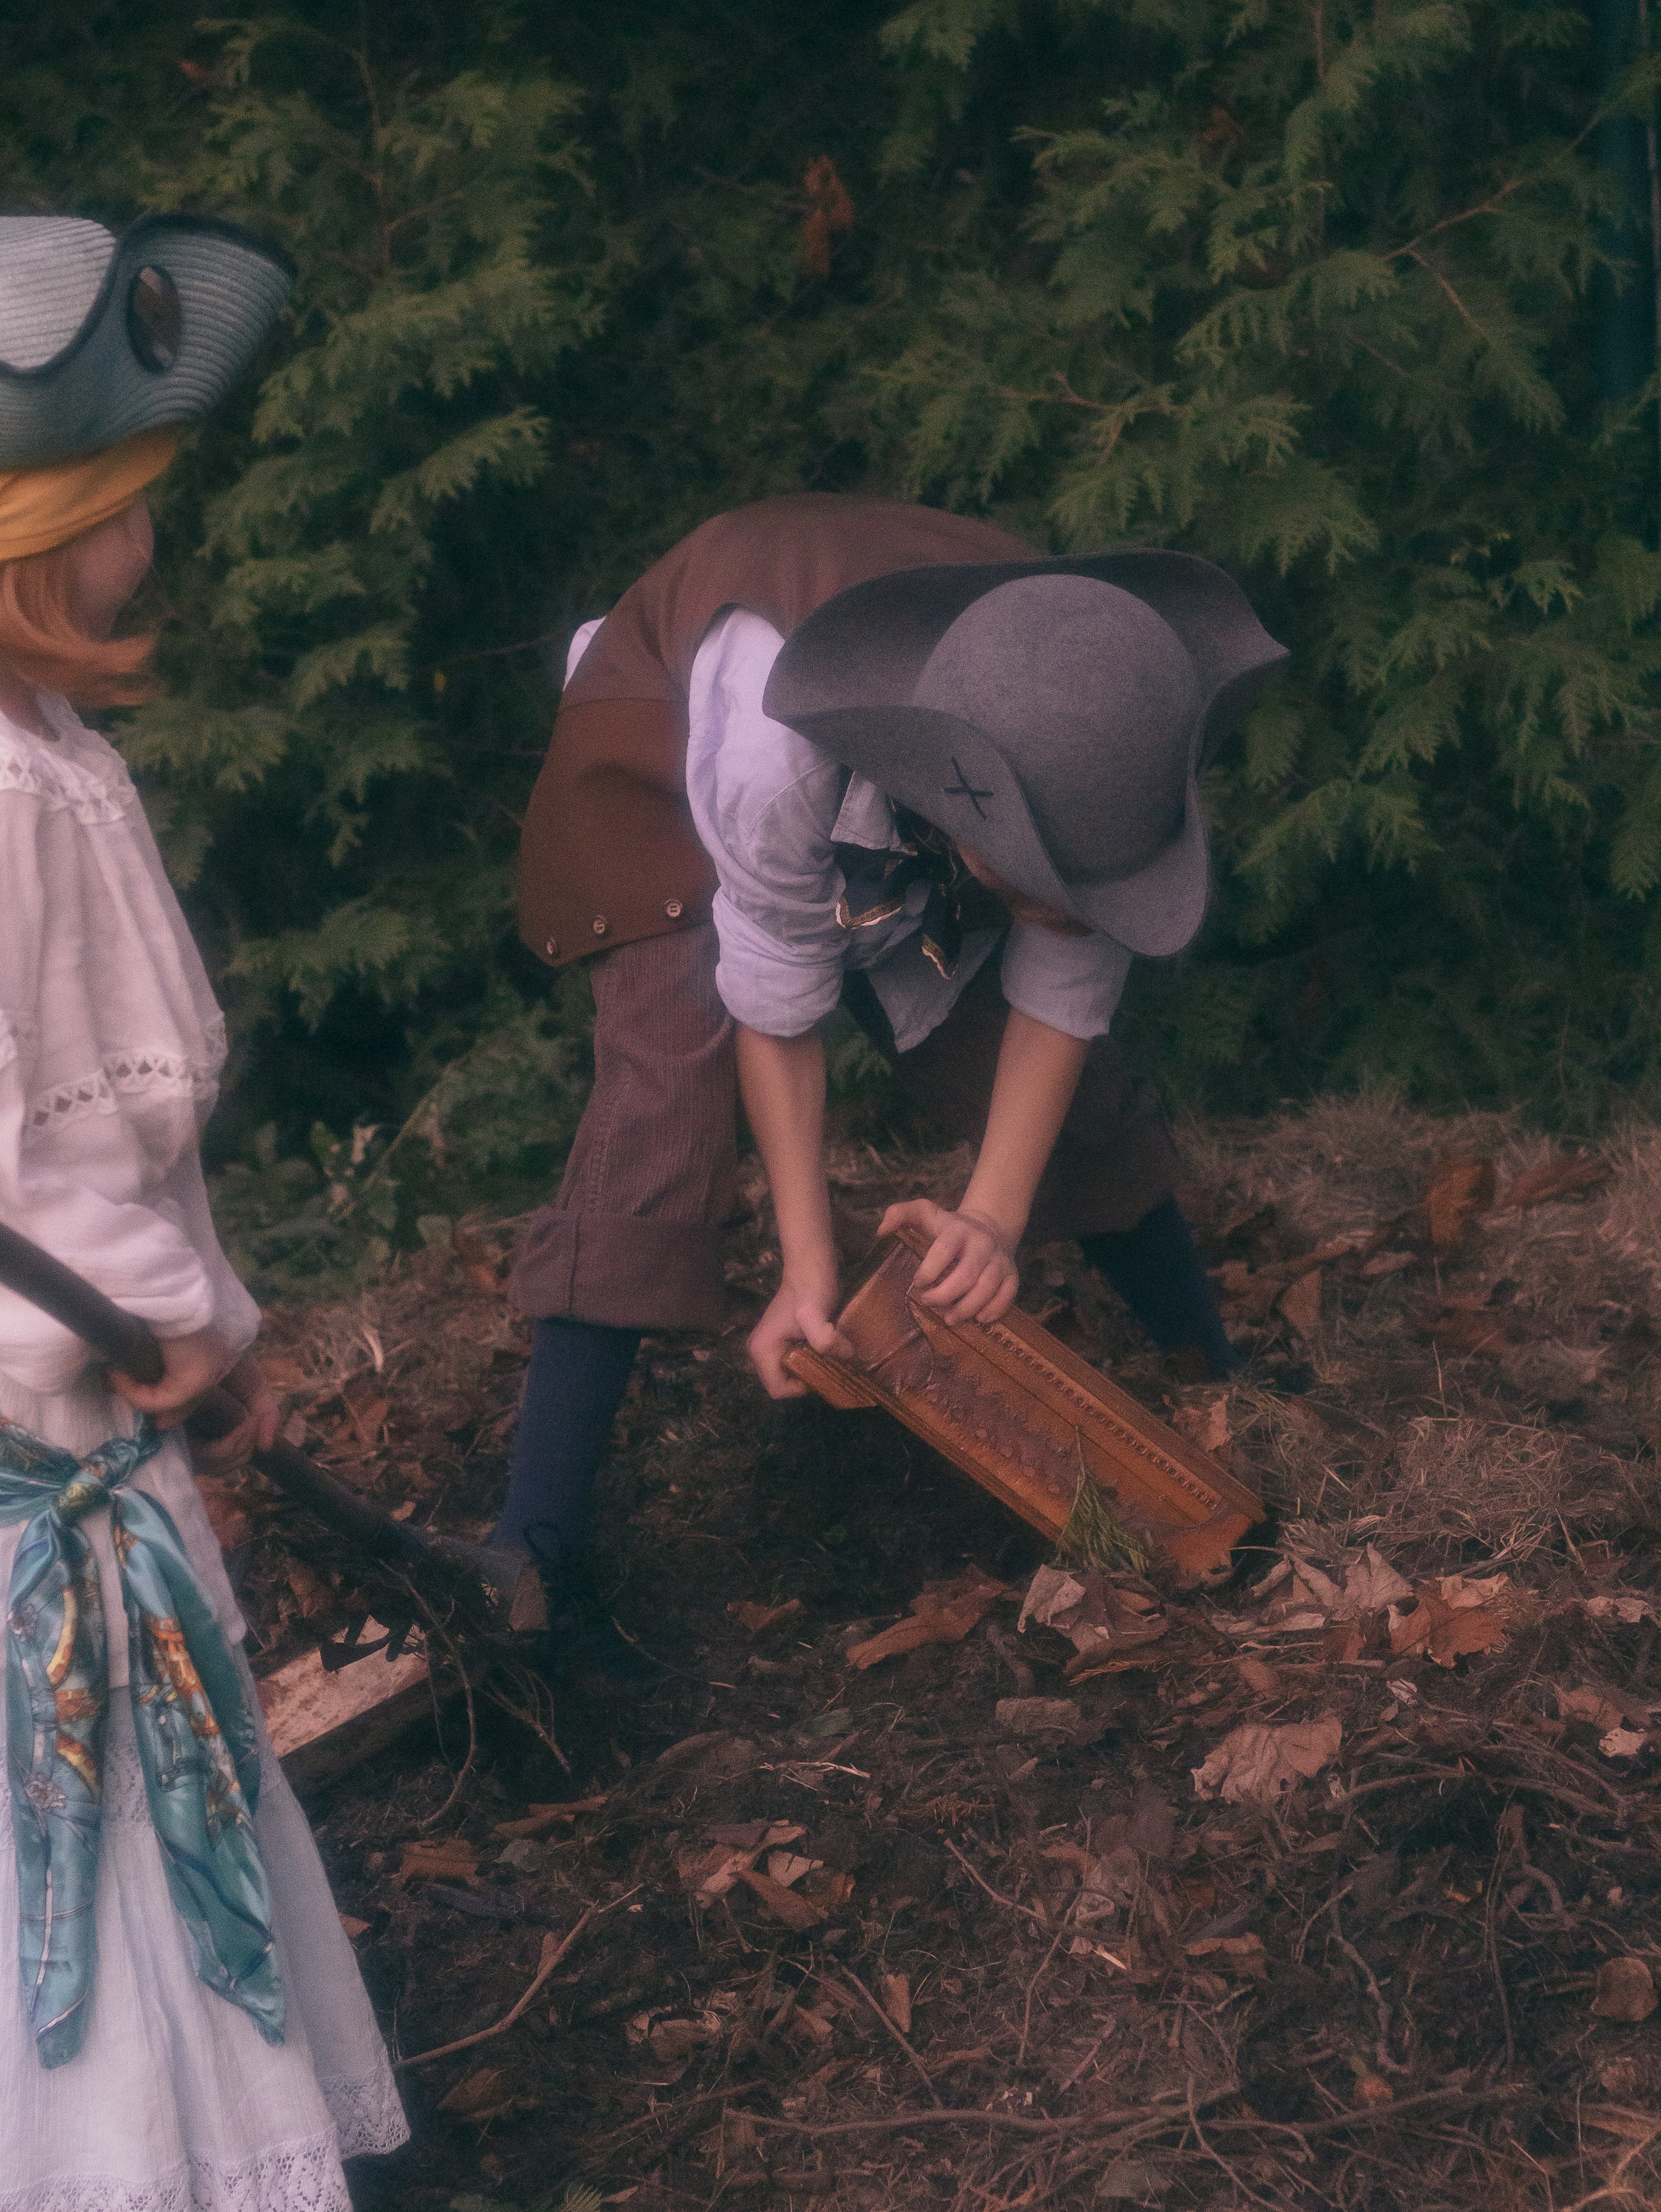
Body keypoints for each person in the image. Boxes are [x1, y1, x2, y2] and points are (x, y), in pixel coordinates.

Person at [500, 495, 1286, 1687]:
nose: (1071, 906)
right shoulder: (772, 757)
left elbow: (1063, 985)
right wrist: (808, 1271)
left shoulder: (1103, 712)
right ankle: (533, 1563)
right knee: (663, 1099)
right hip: (672, 749)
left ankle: (1221, 1385)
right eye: (1044, 880)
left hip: (913, 778)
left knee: (1067, 1101)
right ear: (977, 820)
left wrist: (995, 1217)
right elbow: (777, 1012)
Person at [0, 215, 405, 2209]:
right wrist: (177, 1338)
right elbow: (36, 1169)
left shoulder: (47, 754)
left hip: (90, 1393)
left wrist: (215, 1322)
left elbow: (128, 1160)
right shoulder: (7, 797)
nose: (155, 536)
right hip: (43, 1442)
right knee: (92, 1858)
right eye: (133, 502)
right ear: (41, 533)